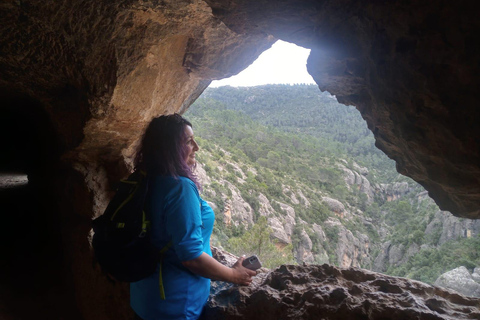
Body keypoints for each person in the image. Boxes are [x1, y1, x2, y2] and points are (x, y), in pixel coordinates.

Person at [130, 113, 256, 320]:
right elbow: (191, 257)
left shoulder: (144, 177)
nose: (196, 147)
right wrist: (234, 275)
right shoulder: (179, 187)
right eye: (189, 141)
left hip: (144, 295)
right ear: (169, 148)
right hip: (175, 304)